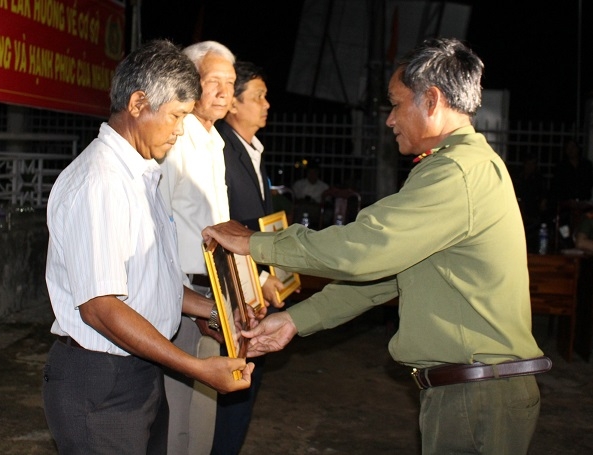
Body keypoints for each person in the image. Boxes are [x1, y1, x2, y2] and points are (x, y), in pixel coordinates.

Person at [203, 38, 551, 455]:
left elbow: (365, 249)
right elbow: (386, 277)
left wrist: (254, 244)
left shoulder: (456, 173)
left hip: (475, 396)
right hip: (472, 392)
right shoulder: (458, 168)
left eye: (396, 103)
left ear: (433, 100)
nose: (389, 120)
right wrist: (296, 320)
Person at [42, 39, 253, 454]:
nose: (179, 131)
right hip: (101, 381)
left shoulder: (143, 174)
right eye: (175, 116)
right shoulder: (100, 182)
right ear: (138, 103)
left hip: (137, 369)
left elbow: (152, 282)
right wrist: (194, 366)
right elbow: (101, 307)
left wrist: (210, 310)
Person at [158, 40, 237, 455]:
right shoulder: (176, 136)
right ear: (191, 83)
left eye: (231, 83)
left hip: (213, 291)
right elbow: (159, 225)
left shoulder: (215, 141)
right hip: (183, 294)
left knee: (205, 407)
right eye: (214, 82)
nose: (225, 93)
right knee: (178, 413)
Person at [213, 60, 285, 454]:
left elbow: (258, 225)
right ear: (235, 106)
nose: (267, 104)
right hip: (234, 295)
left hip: (255, 298)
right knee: (229, 403)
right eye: (257, 96)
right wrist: (258, 280)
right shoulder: (221, 150)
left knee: (243, 394)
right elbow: (225, 226)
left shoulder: (251, 151)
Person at [292, 163, 329, 227]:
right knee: (301, 208)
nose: (312, 175)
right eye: (310, 173)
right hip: (301, 208)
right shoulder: (299, 184)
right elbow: (294, 198)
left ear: (318, 173)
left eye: (314, 172)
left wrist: (314, 203)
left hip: (316, 210)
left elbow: (327, 202)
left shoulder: (324, 187)